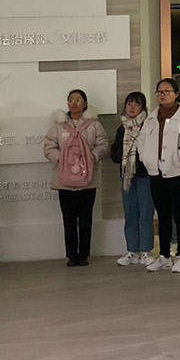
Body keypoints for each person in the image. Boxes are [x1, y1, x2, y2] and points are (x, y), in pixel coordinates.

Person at [43, 89, 107, 267]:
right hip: (64, 180)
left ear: (85, 103)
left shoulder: (95, 125)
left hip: (88, 179)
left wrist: (92, 157)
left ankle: (84, 254)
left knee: (86, 218)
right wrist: (61, 160)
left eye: (78, 100)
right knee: (68, 219)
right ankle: (72, 255)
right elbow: (48, 147)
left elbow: (103, 145)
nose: (74, 103)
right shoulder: (58, 125)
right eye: (71, 100)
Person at [139, 79, 180, 273]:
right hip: (156, 172)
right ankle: (164, 255)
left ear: (176, 94)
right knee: (162, 215)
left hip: (178, 171)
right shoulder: (152, 117)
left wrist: (177, 157)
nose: (162, 95)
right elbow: (142, 140)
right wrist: (145, 157)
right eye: (159, 92)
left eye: (166, 91)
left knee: (179, 214)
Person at [111, 92, 153, 267]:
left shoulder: (148, 126)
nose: (132, 107)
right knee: (130, 214)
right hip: (126, 177)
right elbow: (115, 153)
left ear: (143, 108)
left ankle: (146, 250)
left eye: (136, 104)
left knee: (145, 214)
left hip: (144, 175)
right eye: (129, 103)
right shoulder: (122, 128)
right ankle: (132, 251)